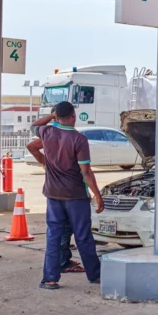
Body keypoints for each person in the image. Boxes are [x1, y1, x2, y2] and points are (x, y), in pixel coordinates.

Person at [27, 102, 104, 289]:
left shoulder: (46, 132)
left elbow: (34, 126)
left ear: (57, 116)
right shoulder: (79, 139)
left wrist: (52, 116)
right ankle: (95, 274)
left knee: (53, 235)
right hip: (75, 195)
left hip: (53, 194)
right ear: (73, 116)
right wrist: (97, 194)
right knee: (82, 235)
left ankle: (50, 279)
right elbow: (86, 172)